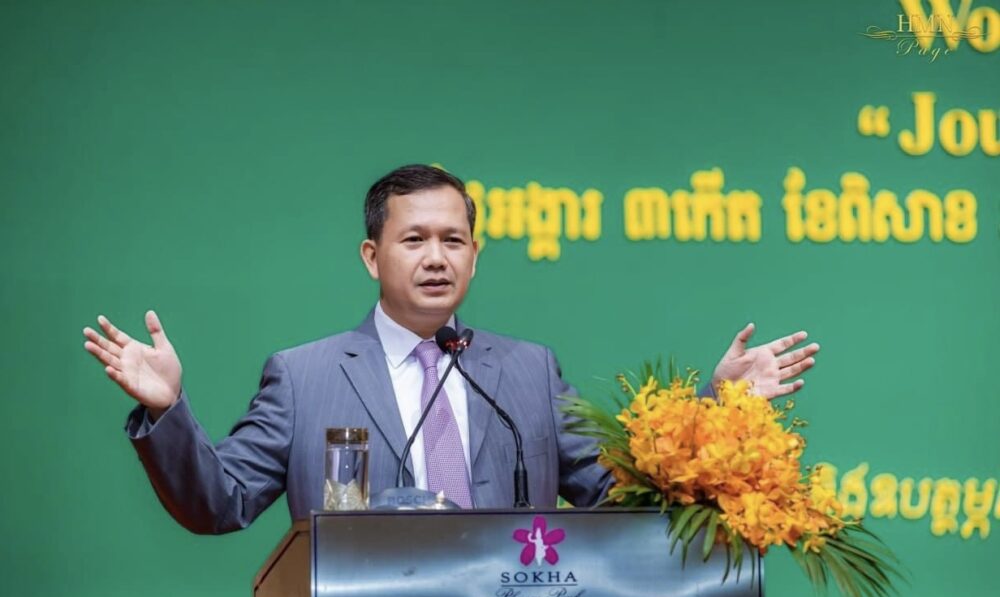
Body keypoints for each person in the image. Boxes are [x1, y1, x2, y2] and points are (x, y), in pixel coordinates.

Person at [82, 164, 819, 534]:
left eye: (453, 240)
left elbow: (619, 492)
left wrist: (714, 415)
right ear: (373, 257)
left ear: (474, 255)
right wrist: (170, 410)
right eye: (414, 240)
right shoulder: (304, 377)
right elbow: (220, 502)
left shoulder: (527, 371)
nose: (436, 257)